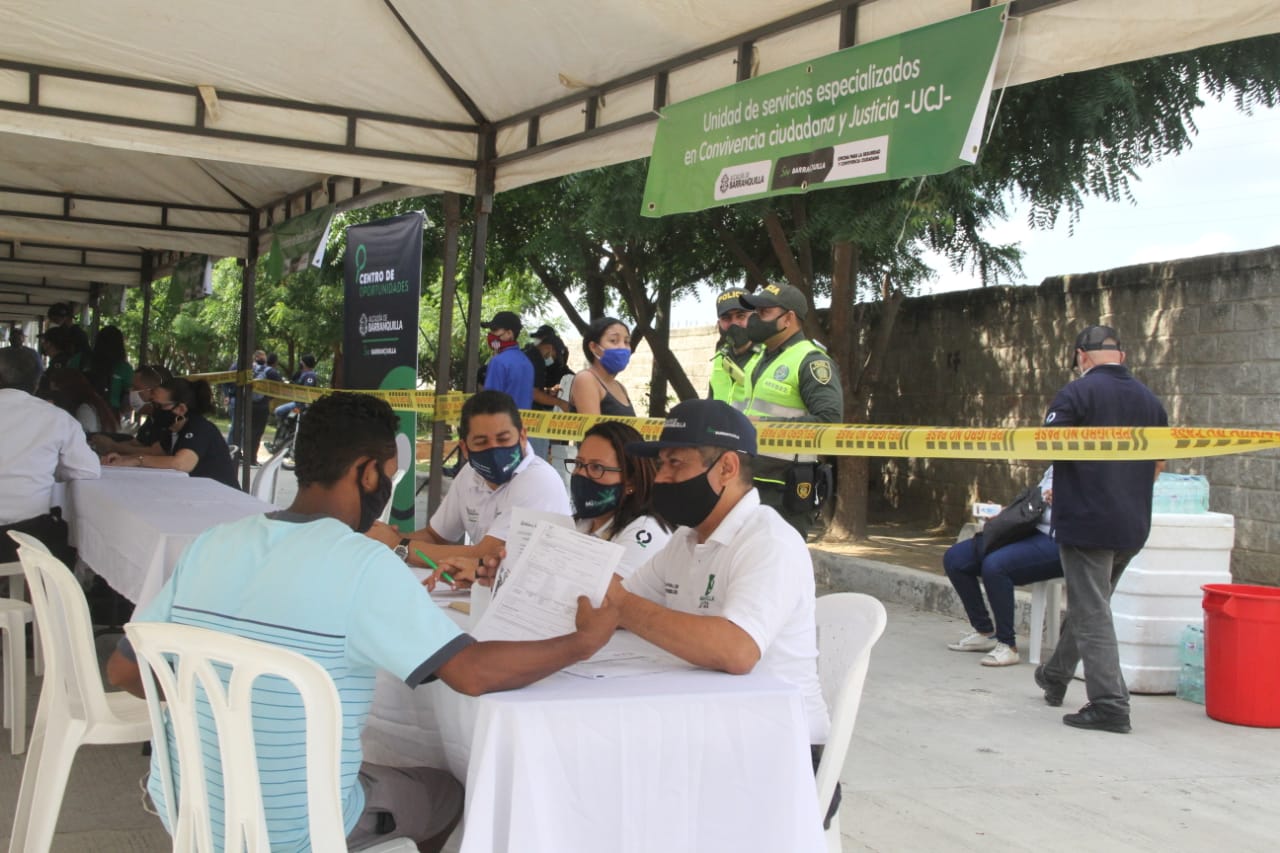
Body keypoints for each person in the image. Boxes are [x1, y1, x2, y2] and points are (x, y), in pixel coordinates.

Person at [105, 391, 618, 852]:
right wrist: (580, 642)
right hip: (299, 831)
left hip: (187, 808)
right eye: (390, 474)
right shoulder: (362, 564)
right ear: (368, 473)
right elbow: (474, 673)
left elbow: (125, 673)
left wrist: (224, 706)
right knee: (448, 792)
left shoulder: (211, 544)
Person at [607, 398, 836, 825]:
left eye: (675, 463)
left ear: (727, 468)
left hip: (781, 753)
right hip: (711, 729)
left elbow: (735, 650)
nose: (663, 477)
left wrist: (621, 606)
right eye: (661, 465)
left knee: (620, 787)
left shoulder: (769, 542)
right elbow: (618, 597)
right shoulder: (686, 540)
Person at [1034, 325, 1167, 734]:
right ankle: (1055, 675)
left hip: (1087, 522)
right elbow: (1158, 465)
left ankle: (1110, 704)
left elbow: (1048, 446)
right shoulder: (1150, 401)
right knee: (1092, 604)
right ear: (1121, 357)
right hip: (1132, 522)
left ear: (1081, 357)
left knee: (1092, 610)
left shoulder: (1076, 394)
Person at [370, 390, 570, 570]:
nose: (494, 450)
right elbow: (436, 536)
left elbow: (485, 554)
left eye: (503, 439)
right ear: (465, 449)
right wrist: (381, 538)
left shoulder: (538, 480)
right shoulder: (470, 475)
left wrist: (399, 545)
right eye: (481, 442)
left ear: (523, 436)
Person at [738, 282, 843, 539]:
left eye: (764, 312)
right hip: (749, 481)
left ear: (788, 319)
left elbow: (829, 421)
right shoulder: (758, 359)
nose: (755, 319)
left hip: (784, 489)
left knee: (776, 570)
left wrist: (763, 423)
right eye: (754, 312)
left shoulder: (811, 361)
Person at [943, 467, 1063, 667]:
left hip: (1062, 542)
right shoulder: (1058, 464)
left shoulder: (1097, 465)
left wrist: (1070, 502)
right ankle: (985, 631)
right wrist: (1004, 512)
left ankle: (1007, 644)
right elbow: (1035, 502)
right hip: (1030, 528)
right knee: (955, 558)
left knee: (996, 565)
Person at [0, 348, 100, 566]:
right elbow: (88, 470)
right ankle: (38, 596)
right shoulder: (56, 418)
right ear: (38, 381)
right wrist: (52, 470)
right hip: (25, 536)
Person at [567, 421, 672, 577]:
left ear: (631, 481)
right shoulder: (581, 523)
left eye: (597, 467)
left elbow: (603, 597)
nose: (581, 474)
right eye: (579, 463)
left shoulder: (646, 531)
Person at [103, 377, 239, 489]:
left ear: (180, 409)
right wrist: (122, 459)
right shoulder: (174, 430)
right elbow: (154, 452)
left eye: (159, 406)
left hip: (225, 501)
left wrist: (136, 461)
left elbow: (182, 463)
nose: (154, 409)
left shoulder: (199, 428)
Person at [89, 364, 173, 455]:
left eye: (136, 388)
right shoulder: (152, 419)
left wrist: (113, 446)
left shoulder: (171, 419)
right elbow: (138, 443)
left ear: (156, 391)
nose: (131, 392)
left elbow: (155, 452)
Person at [569, 316, 635, 417]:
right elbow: (592, 428)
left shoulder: (620, 387)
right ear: (594, 347)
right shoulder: (586, 379)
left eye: (626, 342)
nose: (622, 347)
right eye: (613, 340)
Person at [522, 325, 568, 461]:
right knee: (536, 460)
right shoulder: (536, 360)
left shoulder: (527, 354)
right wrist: (560, 402)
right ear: (550, 348)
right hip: (531, 421)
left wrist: (547, 392)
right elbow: (533, 393)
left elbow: (527, 387)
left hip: (520, 417)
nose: (552, 359)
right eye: (554, 356)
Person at [708, 288, 757, 408]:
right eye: (726, 318)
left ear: (755, 317)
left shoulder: (770, 354)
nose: (734, 323)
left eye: (740, 316)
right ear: (719, 323)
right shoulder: (719, 358)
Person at [42, 367, 119, 434]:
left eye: (56, 391)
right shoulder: (90, 404)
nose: (54, 396)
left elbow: (83, 438)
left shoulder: (84, 410)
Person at [481, 311, 533, 409]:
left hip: (500, 422)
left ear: (509, 333)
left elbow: (490, 401)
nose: (491, 334)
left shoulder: (498, 362)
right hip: (522, 422)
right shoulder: (527, 362)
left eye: (495, 330)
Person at [84, 324, 134, 418]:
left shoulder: (82, 360)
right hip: (111, 415)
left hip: (83, 410)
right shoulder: (124, 368)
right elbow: (129, 399)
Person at [272, 353, 320, 436]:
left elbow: (306, 390)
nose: (300, 363)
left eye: (301, 362)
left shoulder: (310, 375)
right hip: (297, 403)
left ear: (304, 363)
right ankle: (285, 431)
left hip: (300, 405)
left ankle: (286, 430)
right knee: (286, 417)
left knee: (278, 411)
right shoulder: (302, 374)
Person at [249, 350, 282, 464]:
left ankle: (245, 456)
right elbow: (280, 386)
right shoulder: (271, 372)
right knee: (257, 432)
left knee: (249, 431)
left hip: (249, 404)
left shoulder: (251, 369)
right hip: (262, 405)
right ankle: (252, 458)